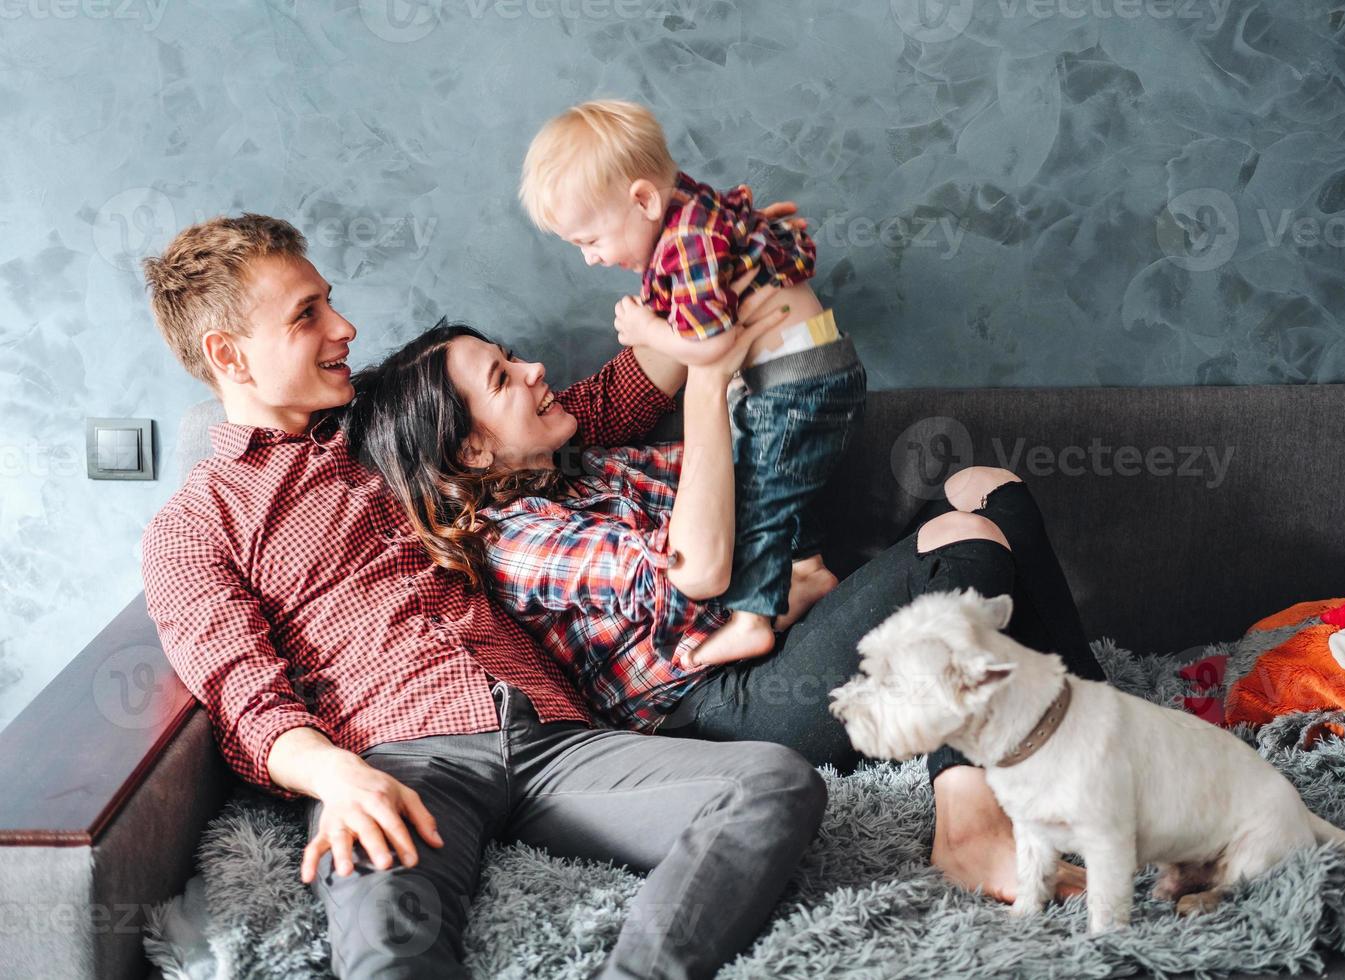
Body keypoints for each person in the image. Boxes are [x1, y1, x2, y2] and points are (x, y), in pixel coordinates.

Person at [138, 212, 829, 979]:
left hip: (558, 737)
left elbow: (585, 415)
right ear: (227, 355)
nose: (345, 326)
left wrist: (701, 260)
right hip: (398, 760)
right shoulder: (196, 523)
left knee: (773, 782)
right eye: (308, 316)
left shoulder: (391, 419)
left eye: (328, 300)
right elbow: (240, 688)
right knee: (390, 944)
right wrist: (336, 776)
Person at [352, 321, 1113, 908]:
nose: (535, 369)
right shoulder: (516, 542)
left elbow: (749, 485)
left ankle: (1091, 738)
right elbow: (690, 578)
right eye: (504, 377)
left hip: (766, 649)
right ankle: (968, 828)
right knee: (965, 546)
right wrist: (706, 384)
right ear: (476, 450)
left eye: (512, 356)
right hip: (721, 714)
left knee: (986, 487)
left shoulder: (592, 469)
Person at [519, 99, 866, 668]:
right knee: (771, 476)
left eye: (590, 240)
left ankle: (753, 618)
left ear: (642, 200)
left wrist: (647, 327)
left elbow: (713, 347)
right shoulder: (689, 211)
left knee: (759, 493)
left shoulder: (687, 244)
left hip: (797, 384)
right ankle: (803, 570)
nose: (589, 259)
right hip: (801, 374)